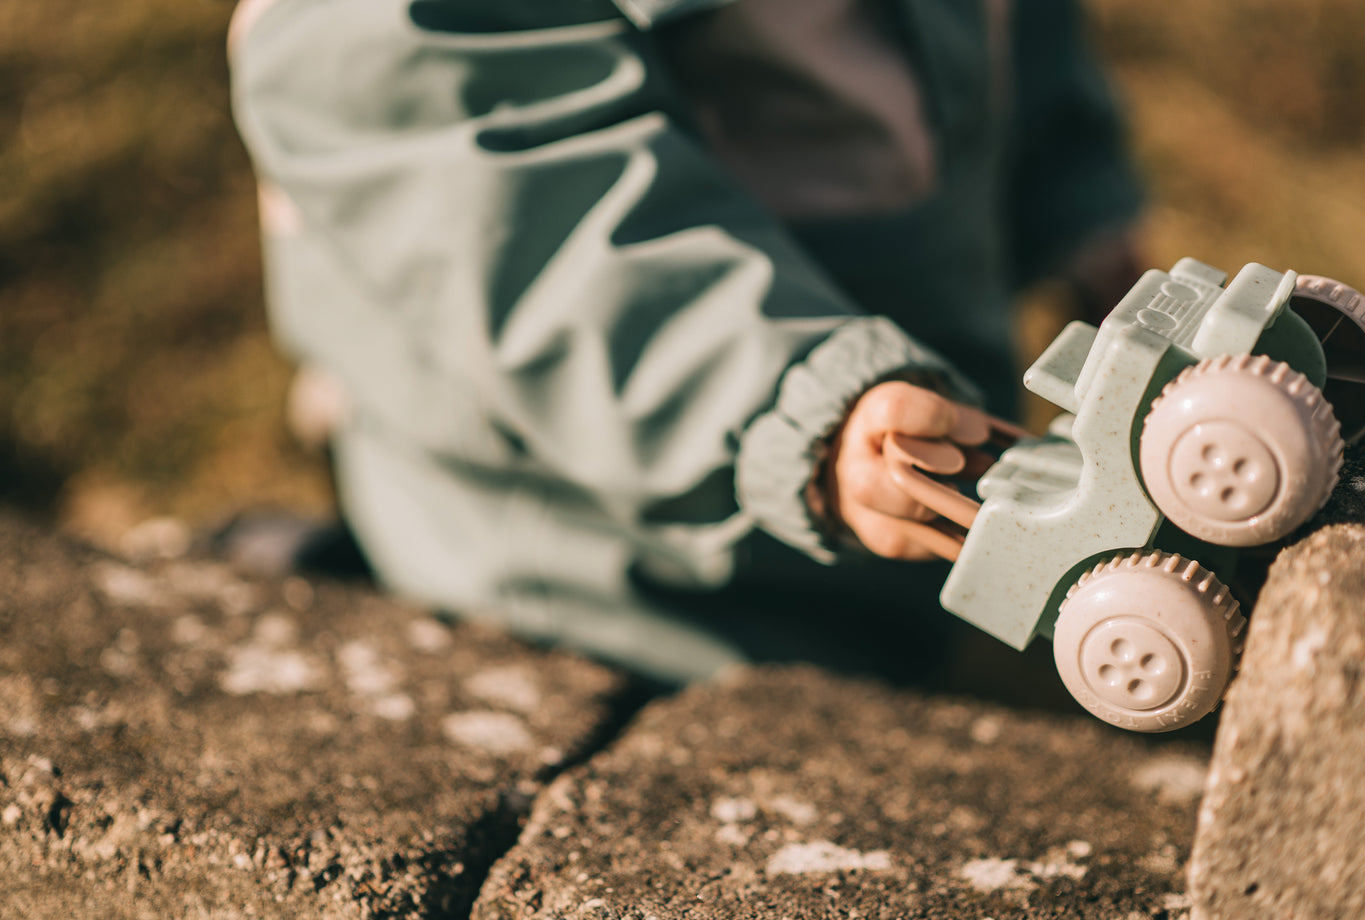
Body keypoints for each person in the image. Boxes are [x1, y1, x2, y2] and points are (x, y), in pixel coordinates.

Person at [228, 0, 1144, 686]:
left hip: (897, 431)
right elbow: (490, 182)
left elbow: (999, 34)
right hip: (598, 548)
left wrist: (1077, 205)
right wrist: (783, 402)